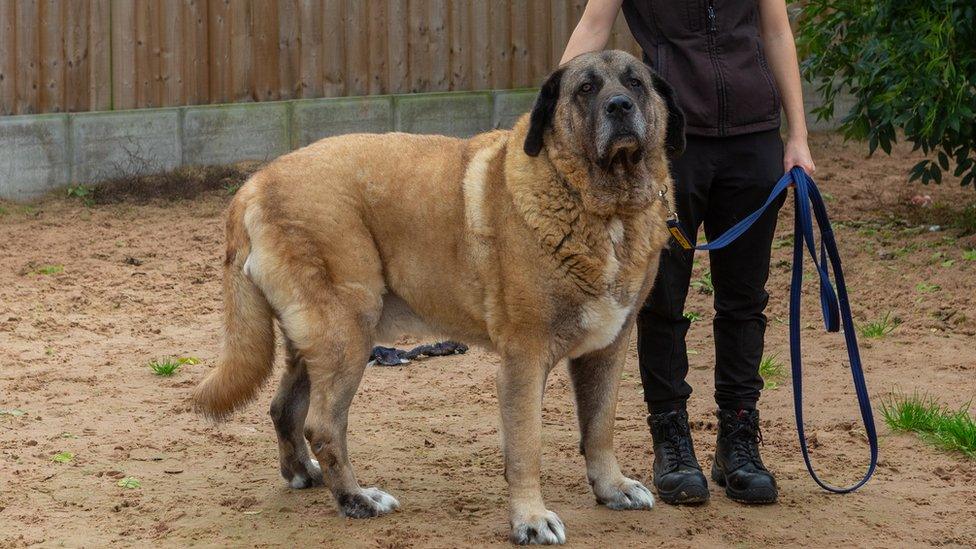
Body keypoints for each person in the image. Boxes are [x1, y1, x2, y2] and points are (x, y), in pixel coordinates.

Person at [561, 0, 815, 505]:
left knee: (744, 299)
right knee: (663, 299)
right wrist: (548, 118)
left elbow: (777, 33)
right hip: (671, 145)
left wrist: (799, 136)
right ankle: (671, 440)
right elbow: (593, 26)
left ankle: (739, 440)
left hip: (754, 140)